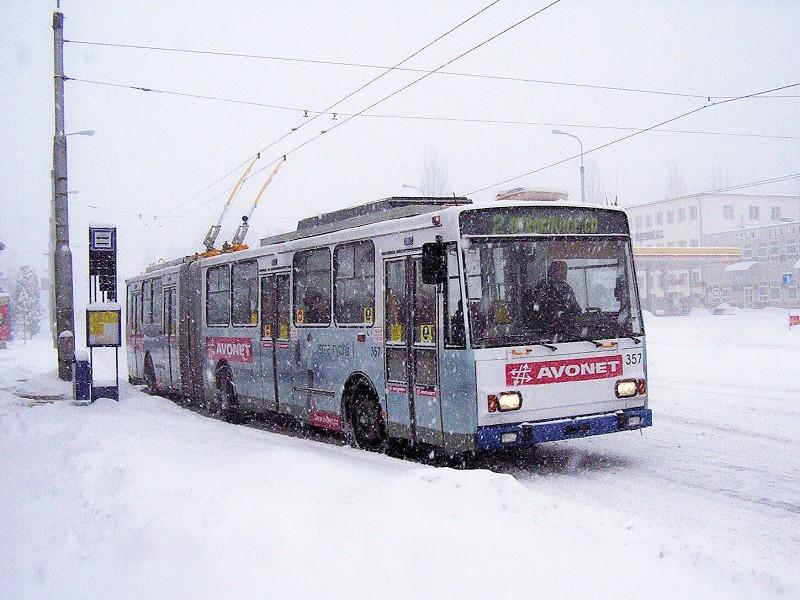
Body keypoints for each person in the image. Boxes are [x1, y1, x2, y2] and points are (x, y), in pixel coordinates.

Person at [526, 260, 581, 336]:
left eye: (564, 271)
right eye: (559, 270)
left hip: (566, 332)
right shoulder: (544, 287)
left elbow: (575, 308)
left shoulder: (567, 288)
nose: (563, 273)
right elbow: (535, 309)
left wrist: (574, 317)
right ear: (552, 272)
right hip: (546, 333)